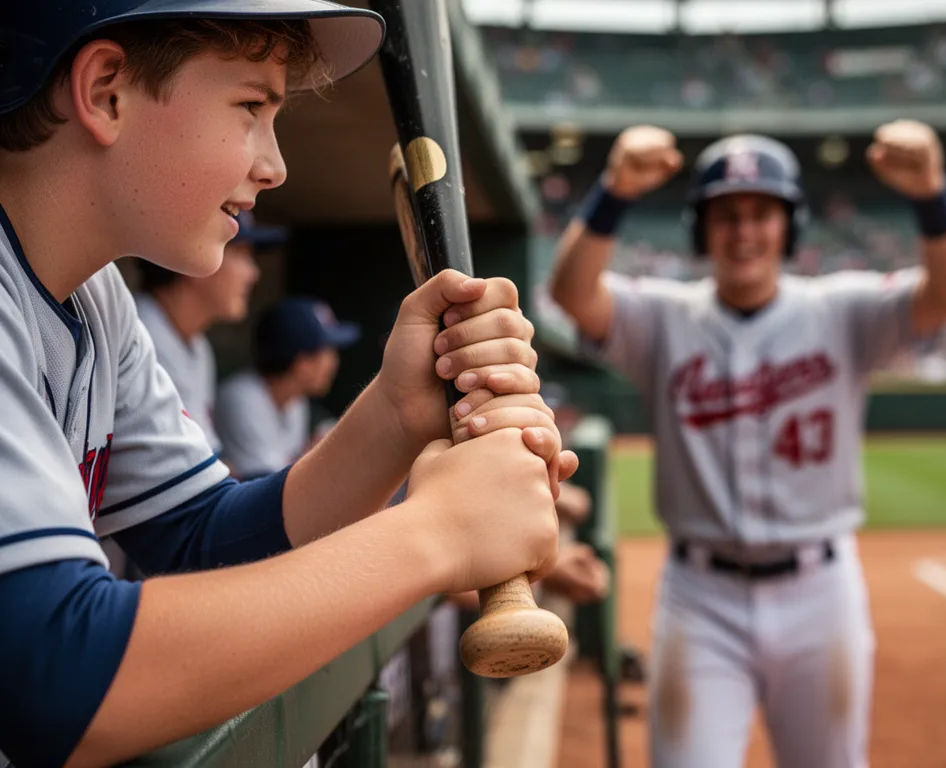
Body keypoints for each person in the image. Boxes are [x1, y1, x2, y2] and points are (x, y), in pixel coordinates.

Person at [0, 5, 578, 767]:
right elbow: (55, 674)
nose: (275, 166)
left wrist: (392, 418)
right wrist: (437, 533)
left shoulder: (94, 297)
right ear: (106, 91)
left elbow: (201, 540)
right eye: (251, 107)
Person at [549, 122, 946, 767]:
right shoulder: (664, 317)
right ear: (702, 229)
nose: (744, 231)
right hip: (700, 597)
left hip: (820, 594)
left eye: (761, 213)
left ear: (789, 226)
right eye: (726, 215)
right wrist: (613, 190)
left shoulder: (842, 309)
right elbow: (572, 295)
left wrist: (932, 193)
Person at [135, 209, 282, 456]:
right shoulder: (136, 334)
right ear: (194, 255)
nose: (253, 274)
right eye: (240, 253)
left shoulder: (197, 346)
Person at [216, 297, 360, 479]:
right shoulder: (242, 398)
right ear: (301, 362)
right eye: (327, 352)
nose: (334, 362)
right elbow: (263, 484)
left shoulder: (296, 402)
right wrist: (316, 458)